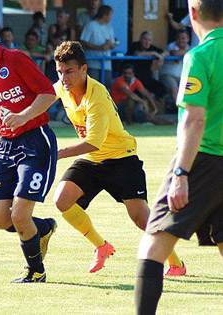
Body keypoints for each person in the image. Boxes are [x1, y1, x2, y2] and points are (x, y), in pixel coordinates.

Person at [52, 41, 185, 275]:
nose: (64, 77)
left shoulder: (98, 95)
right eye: (60, 71)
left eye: (69, 71)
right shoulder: (62, 87)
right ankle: (101, 246)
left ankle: (175, 263)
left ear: (84, 69)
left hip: (121, 159)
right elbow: (42, 97)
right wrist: (20, 115)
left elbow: (94, 141)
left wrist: (58, 153)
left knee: (142, 220)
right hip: (91, 160)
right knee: (62, 199)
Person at [135, 1, 223, 313]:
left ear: (194, 14)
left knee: (154, 244)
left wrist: (181, 174)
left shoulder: (200, 56)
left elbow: (193, 120)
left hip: (204, 159)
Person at [0, 12, 58, 283]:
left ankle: (35, 271)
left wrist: (24, 115)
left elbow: (48, 94)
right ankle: (43, 228)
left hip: (35, 141)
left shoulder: (15, 59)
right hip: (6, 146)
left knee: (19, 213)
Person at [127, 31, 168, 106]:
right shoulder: (135, 45)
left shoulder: (151, 47)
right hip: (133, 76)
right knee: (138, 94)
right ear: (140, 39)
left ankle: (151, 108)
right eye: (145, 40)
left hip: (146, 76)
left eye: (149, 40)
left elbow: (166, 52)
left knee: (162, 89)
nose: (147, 42)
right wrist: (154, 54)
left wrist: (161, 56)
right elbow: (137, 54)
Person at [80, 5, 116, 88]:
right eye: (110, 15)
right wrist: (99, 48)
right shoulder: (90, 25)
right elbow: (84, 41)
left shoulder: (109, 28)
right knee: (93, 86)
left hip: (106, 63)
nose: (111, 18)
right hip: (93, 63)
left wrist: (109, 44)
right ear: (104, 15)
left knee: (107, 85)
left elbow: (113, 44)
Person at [160, 30, 191, 111]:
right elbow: (175, 53)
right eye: (179, 38)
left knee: (190, 89)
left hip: (181, 76)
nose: (181, 40)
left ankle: (188, 111)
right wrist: (189, 52)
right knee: (174, 89)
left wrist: (186, 51)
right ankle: (180, 111)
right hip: (167, 75)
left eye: (183, 38)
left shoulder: (189, 47)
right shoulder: (172, 45)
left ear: (188, 39)